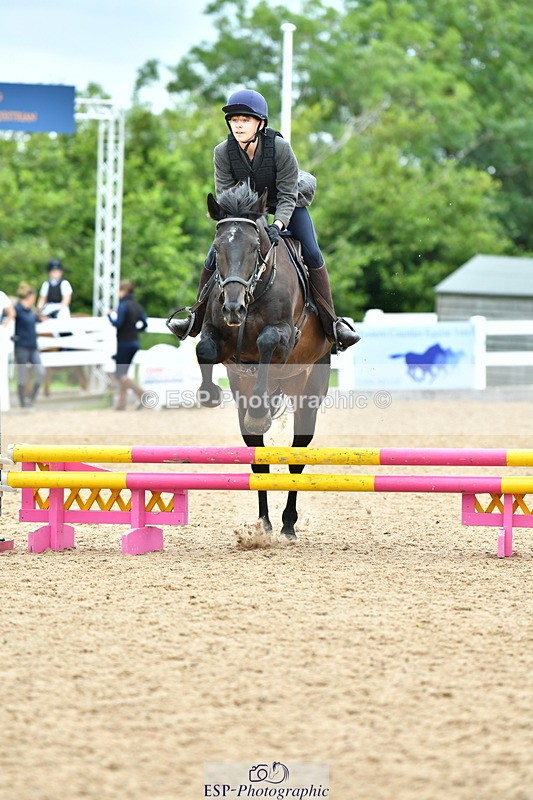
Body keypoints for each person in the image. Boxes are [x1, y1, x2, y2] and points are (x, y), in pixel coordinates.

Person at [167, 88, 360, 351]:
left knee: (313, 253)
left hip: (286, 203)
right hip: (245, 211)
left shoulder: (279, 148)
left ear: (260, 123)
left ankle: (332, 323)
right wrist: (247, 226)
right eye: (234, 121)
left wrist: (278, 226)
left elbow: (288, 194)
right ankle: (195, 317)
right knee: (215, 253)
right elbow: (226, 196)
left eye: (245, 120)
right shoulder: (222, 152)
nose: (238, 125)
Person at [108, 280, 148, 410]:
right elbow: (144, 324)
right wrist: (135, 330)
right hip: (134, 342)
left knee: (119, 374)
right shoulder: (137, 306)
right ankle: (121, 404)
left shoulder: (123, 305)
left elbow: (118, 324)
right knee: (123, 374)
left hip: (124, 343)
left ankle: (143, 394)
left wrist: (109, 316)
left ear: (124, 291)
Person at [13, 283, 45, 408]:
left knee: (40, 372)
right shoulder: (17, 310)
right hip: (21, 346)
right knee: (22, 376)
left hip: (32, 346)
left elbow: (33, 320)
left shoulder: (31, 311)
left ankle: (31, 398)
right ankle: (22, 401)